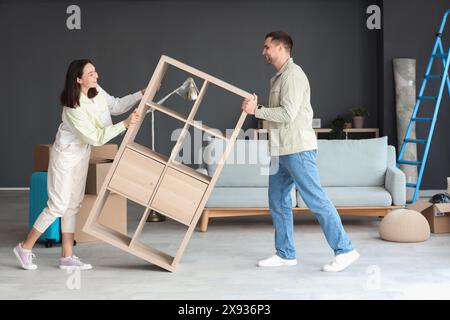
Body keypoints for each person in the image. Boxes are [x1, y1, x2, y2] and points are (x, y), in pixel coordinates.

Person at [241, 31, 360, 272]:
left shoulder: (294, 76)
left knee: (315, 200)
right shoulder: (278, 78)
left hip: (297, 149)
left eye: (267, 47)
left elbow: (287, 114)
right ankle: (285, 254)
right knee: (277, 202)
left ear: (281, 48)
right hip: (280, 150)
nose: (263, 51)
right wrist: (259, 108)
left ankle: (345, 250)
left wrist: (258, 110)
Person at [14, 59, 144, 270]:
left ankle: (67, 256)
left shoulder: (97, 90)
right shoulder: (72, 107)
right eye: (91, 73)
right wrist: (125, 124)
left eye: (95, 72)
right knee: (57, 205)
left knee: (73, 205)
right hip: (65, 157)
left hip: (82, 154)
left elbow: (117, 104)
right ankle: (24, 247)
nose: (96, 76)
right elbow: (95, 138)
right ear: (78, 79)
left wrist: (142, 93)